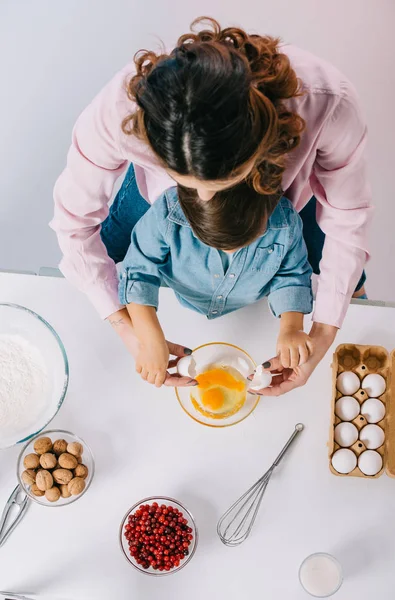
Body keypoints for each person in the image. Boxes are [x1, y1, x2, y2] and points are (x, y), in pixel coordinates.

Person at [51, 17, 372, 396]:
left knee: (352, 294)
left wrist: (323, 331)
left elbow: (348, 217)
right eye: (188, 186)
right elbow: (74, 225)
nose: (203, 206)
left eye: (218, 185)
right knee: (91, 283)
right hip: (153, 203)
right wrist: (128, 328)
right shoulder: (115, 114)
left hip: (283, 206)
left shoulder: (326, 102)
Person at [119, 183, 313, 387]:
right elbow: (138, 271)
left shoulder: (286, 224)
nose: (230, 253)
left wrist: (292, 327)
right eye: (215, 245)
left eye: (249, 240)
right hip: (181, 309)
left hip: (254, 313)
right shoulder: (169, 212)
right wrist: (149, 339)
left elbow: (291, 275)